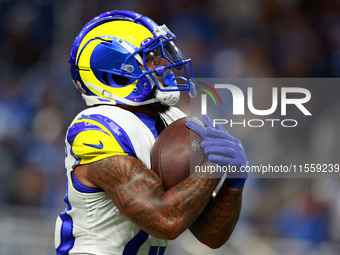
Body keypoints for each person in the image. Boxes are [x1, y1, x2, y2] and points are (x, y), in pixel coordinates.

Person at [55, 10, 248, 255]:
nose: (165, 64)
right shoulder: (97, 128)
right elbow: (166, 221)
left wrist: (233, 183)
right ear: (115, 72)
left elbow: (210, 235)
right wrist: (212, 167)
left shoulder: (172, 120)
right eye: (151, 58)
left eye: (162, 54)